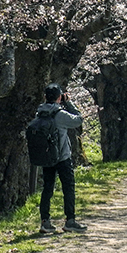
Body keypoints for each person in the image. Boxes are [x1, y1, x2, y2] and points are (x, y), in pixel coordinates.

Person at [37, 84, 88, 234]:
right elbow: (78, 120)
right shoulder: (60, 114)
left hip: (47, 156)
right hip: (63, 157)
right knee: (68, 187)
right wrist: (69, 103)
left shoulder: (39, 113)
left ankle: (45, 222)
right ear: (59, 97)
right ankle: (70, 221)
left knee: (47, 188)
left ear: (45, 97)